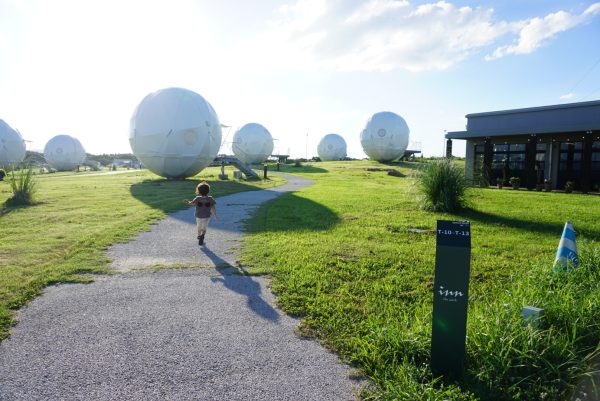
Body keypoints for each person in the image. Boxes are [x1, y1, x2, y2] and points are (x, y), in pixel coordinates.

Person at [183, 181, 218, 245]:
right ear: (208, 191)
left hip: (198, 216)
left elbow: (192, 204)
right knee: (204, 228)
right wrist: (215, 215)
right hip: (206, 216)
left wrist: (188, 202)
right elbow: (213, 208)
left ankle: (199, 236)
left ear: (198, 191)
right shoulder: (210, 199)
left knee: (199, 227)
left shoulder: (197, 198)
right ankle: (202, 236)